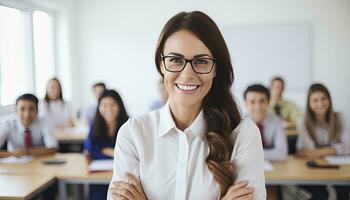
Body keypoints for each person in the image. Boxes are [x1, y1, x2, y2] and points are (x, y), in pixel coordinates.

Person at [108, 11, 266, 200]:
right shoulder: (133, 134)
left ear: (215, 68)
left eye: (201, 61)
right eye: (175, 60)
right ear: (161, 64)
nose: (188, 74)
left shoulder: (243, 134)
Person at [296, 83, 350, 200]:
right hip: (312, 170)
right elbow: (303, 152)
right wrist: (334, 149)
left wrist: (317, 151)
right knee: (321, 194)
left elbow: (348, 148)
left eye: (323, 98)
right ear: (309, 103)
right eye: (315, 100)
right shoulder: (303, 121)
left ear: (329, 100)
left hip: (338, 167)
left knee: (343, 188)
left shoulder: (339, 117)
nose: (320, 104)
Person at [84, 89, 129, 200]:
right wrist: (114, 152)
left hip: (122, 174)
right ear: (98, 107)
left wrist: (104, 150)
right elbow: (90, 150)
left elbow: (129, 153)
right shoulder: (94, 124)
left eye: (113, 104)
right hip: (99, 173)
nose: (108, 109)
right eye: (104, 105)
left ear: (119, 106)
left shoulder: (128, 124)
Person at [0, 94, 58, 158]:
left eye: (31, 109)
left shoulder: (43, 122)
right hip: (14, 163)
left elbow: (53, 148)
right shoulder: (8, 123)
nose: (27, 114)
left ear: (37, 110)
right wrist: (12, 154)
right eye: (22, 109)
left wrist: (27, 152)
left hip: (39, 161)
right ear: (16, 110)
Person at [244, 84, 288, 161]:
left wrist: (251, 154)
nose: (258, 107)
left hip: (273, 167)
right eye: (252, 102)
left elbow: (282, 153)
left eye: (262, 101)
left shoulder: (277, 122)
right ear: (246, 104)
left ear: (268, 102)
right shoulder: (240, 122)